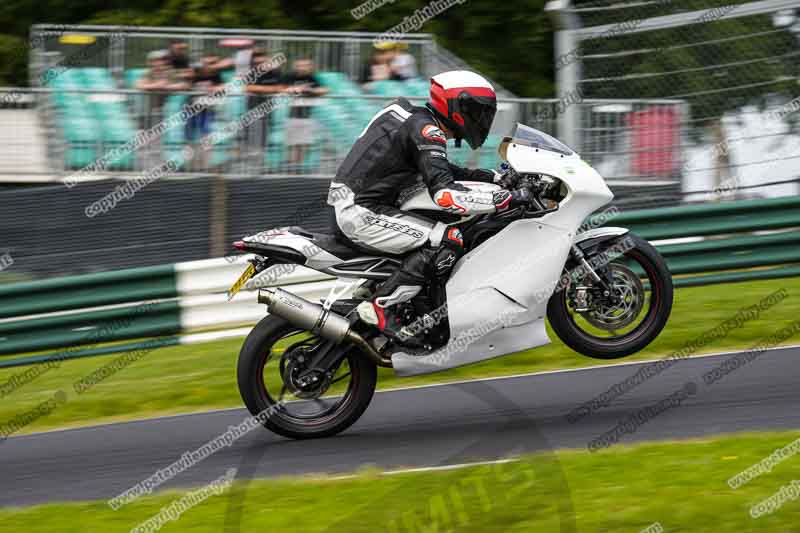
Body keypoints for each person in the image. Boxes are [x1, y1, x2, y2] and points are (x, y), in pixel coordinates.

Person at [327, 71, 528, 342]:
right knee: (448, 239)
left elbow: (442, 169)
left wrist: (496, 178)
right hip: (361, 212)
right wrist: (506, 198)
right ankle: (381, 306)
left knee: (434, 229)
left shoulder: (416, 119)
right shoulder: (427, 130)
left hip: (359, 204)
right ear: (457, 107)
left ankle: (392, 296)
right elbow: (446, 195)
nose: (482, 120)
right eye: (478, 112)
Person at [282, 59, 329, 167]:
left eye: (306, 65)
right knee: (292, 143)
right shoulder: (290, 77)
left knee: (304, 144)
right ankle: (291, 166)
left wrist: (311, 91)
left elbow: (325, 89)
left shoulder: (313, 78)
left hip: (307, 116)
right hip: (293, 116)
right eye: (300, 65)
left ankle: (297, 166)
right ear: (295, 67)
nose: (303, 68)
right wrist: (295, 89)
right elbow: (282, 88)